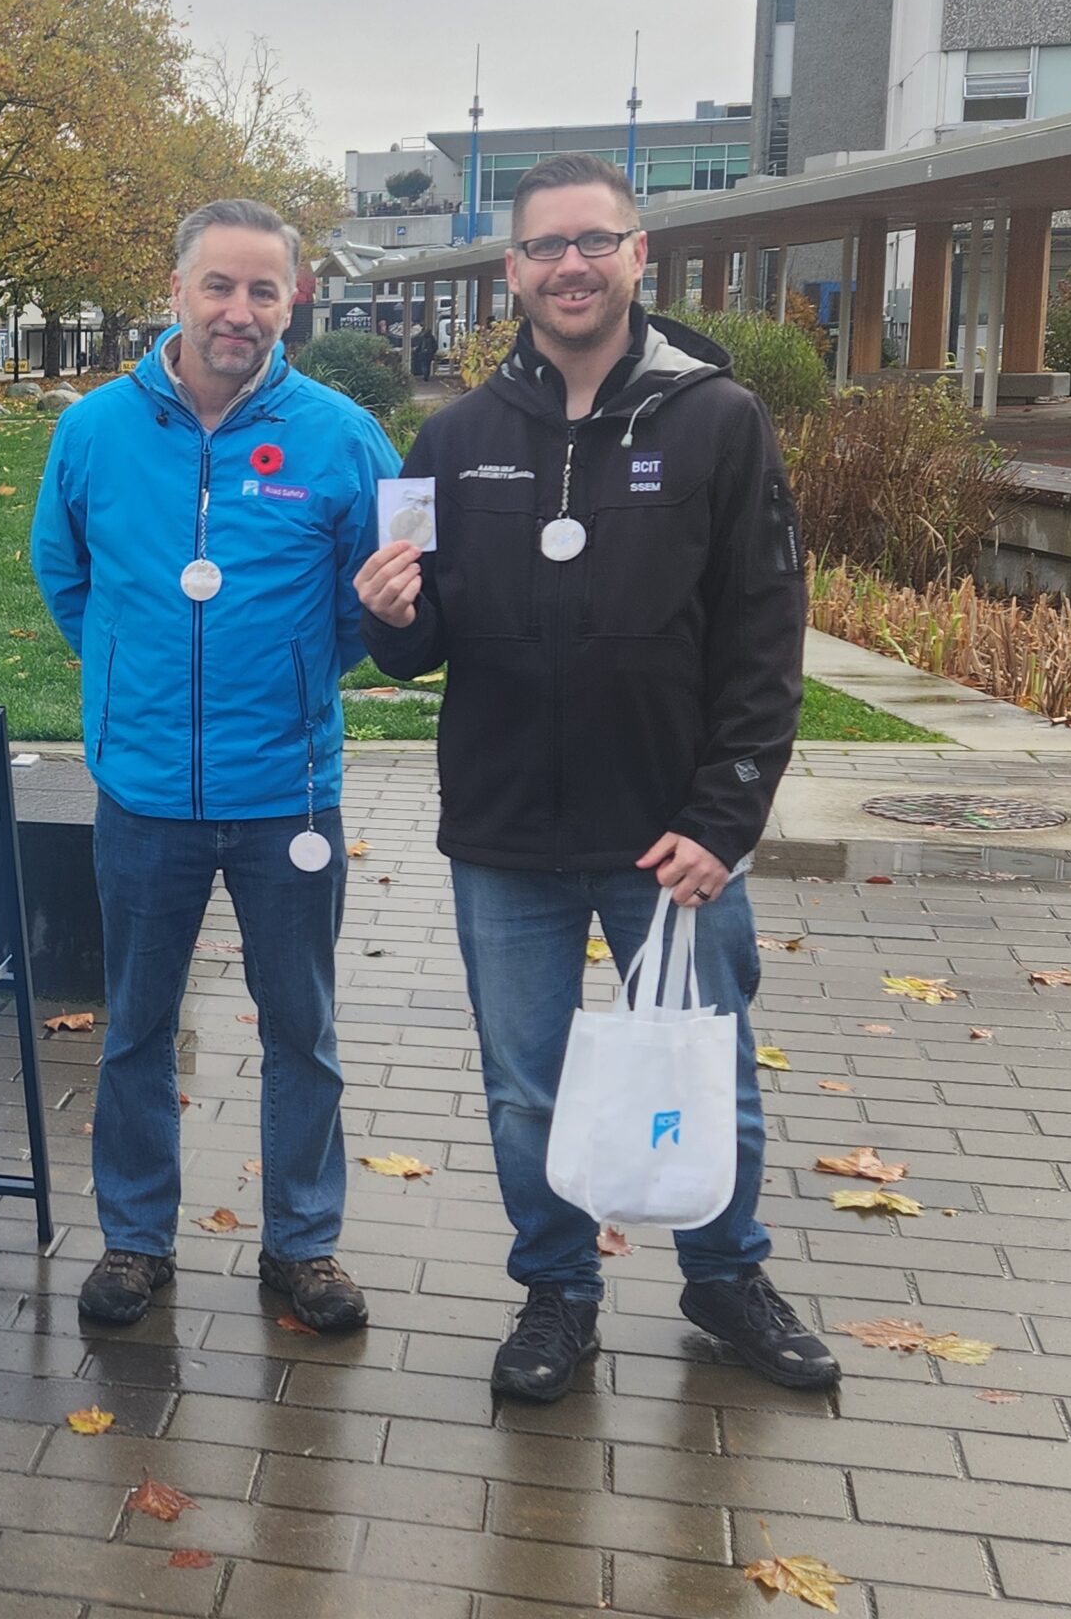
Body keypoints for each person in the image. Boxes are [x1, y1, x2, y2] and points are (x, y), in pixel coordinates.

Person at [353, 152, 829, 1401]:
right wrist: (388, 616)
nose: (569, 265)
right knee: (524, 1089)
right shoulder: (450, 439)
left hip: (668, 840)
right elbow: (415, 651)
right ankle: (556, 1293)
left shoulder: (721, 421)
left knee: (706, 1069)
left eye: (593, 242)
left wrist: (723, 819)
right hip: (505, 833)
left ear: (637, 258)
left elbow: (763, 637)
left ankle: (726, 1276)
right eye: (544, 247)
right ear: (511, 271)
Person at [32, 198, 400, 1332]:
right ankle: (136, 1240)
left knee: (303, 1031)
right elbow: (66, 576)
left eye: (263, 291)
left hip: (286, 792)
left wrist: (295, 681)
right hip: (142, 790)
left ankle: (303, 1246)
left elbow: (376, 605)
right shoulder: (93, 431)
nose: (238, 310)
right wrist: (133, 674)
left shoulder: (344, 437)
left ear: (292, 301)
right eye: (219, 286)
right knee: (136, 1023)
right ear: (176, 288)